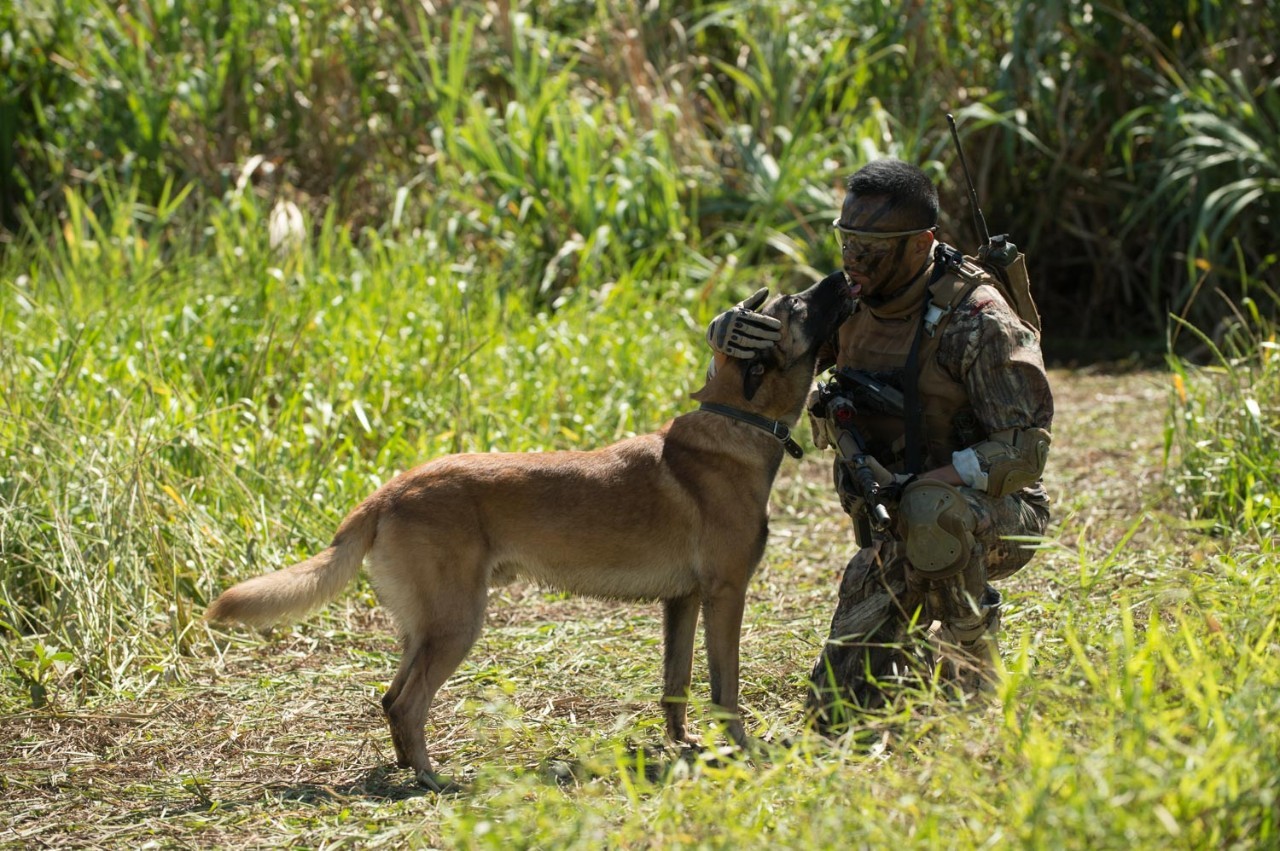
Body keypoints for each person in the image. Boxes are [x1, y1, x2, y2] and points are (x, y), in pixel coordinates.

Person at [704, 158, 1053, 727]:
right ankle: (914, 660)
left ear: (922, 245)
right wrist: (728, 338)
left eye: (872, 248)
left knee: (930, 514)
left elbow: (1024, 450)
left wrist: (924, 485)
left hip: (996, 515)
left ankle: (972, 664)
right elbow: (770, 363)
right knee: (834, 715)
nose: (853, 262)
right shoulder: (850, 301)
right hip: (891, 523)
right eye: (847, 242)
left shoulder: (977, 319)